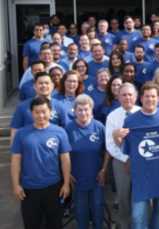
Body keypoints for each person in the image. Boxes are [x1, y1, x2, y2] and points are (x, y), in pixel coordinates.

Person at [114, 84, 159, 229]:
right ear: (141, 98)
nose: (150, 99)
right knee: (138, 217)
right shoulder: (131, 120)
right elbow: (125, 148)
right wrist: (116, 136)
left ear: (158, 98)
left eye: (153, 96)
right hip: (142, 174)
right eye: (146, 96)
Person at [11, 96, 72, 229]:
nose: (41, 115)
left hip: (54, 186)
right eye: (36, 112)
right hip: (29, 188)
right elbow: (15, 160)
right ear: (31, 113)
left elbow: (65, 159)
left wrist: (66, 184)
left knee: (54, 223)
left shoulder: (60, 132)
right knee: (31, 224)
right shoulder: (21, 134)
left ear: (50, 111)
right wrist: (16, 184)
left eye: (44, 111)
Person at [65, 95, 110, 229]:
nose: (83, 113)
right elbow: (62, 154)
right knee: (81, 212)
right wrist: (67, 174)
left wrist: (104, 170)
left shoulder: (99, 126)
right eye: (80, 110)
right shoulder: (68, 129)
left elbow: (108, 149)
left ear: (91, 110)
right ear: (74, 110)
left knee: (97, 209)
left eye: (86, 109)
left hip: (97, 177)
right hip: (77, 177)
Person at [105, 83, 140, 228]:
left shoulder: (143, 112)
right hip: (121, 162)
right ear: (118, 97)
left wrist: (135, 159)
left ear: (136, 97)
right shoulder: (112, 116)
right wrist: (127, 159)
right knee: (123, 197)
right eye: (124, 95)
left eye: (130, 94)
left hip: (141, 161)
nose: (127, 98)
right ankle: (124, 225)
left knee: (142, 197)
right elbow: (110, 145)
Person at [10, 72, 71, 144]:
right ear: (35, 86)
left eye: (47, 83)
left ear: (52, 86)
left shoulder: (60, 106)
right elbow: (15, 130)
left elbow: (66, 130)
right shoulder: (22, 107)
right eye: (41, 83)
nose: (44, 85)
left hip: (53, 150)